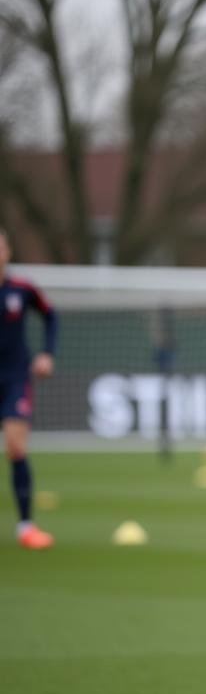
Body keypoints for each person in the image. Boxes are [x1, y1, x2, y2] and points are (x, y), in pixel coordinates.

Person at [0, 229, 58, 549]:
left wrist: (47, 354)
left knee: (15, 446)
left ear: (8, 252)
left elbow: (51, 316)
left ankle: (26, 527)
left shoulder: (21, 289)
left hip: (14, 379)